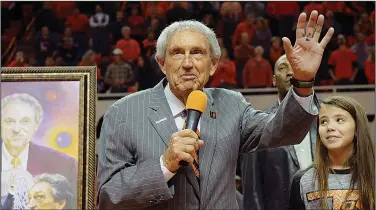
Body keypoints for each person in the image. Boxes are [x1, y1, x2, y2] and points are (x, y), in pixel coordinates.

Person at [97, 10, 334, 209]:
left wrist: (303, 82)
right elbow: (108, 196)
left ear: (212, 65)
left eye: (197, 53)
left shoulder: (231, 104)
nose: (187, 63)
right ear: (161, 63)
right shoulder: (123, 113)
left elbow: (284, 131)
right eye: (177, 53)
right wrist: (164, 165)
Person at [240, 54, 317, 210]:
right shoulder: (258, 125)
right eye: (283, 68)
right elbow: (252, 189)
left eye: (295, 67)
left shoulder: (326, 116)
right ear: (274, 80)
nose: (290, 72)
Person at [288, 96, 375, 210]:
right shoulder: (303, 180)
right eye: (323, 121)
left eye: (339, 120)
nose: (330, 127)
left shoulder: (372, 175)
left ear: (357, 128)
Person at [1, 93, 78, 208]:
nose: (16, 129)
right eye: (9, 121)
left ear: (36, 125)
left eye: (25, 121)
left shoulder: (65, 165)